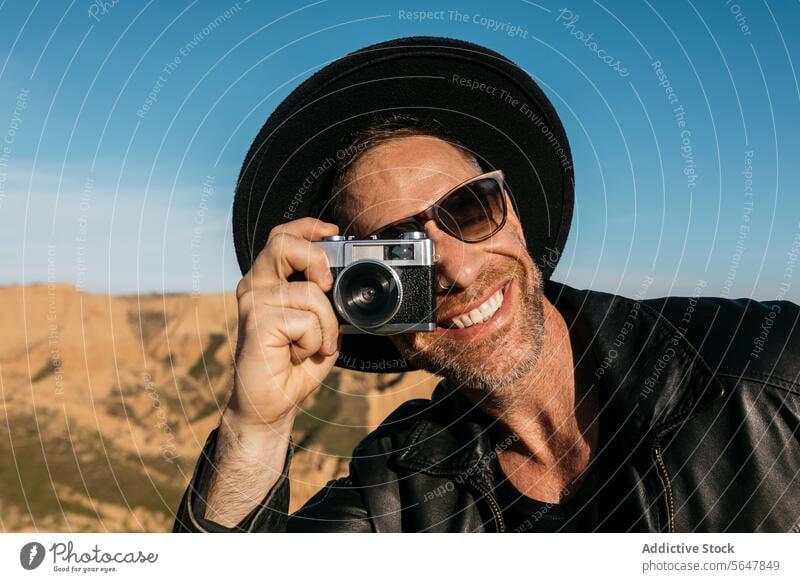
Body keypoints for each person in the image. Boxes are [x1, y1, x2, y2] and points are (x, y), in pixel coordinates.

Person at [173, 37, 799, 533]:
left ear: (514, 212)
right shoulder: (395, 496)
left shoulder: (770, 369)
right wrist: (255, 426)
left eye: (469, 209)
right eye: (399, 254)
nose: (458, 270)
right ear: (355, 289)